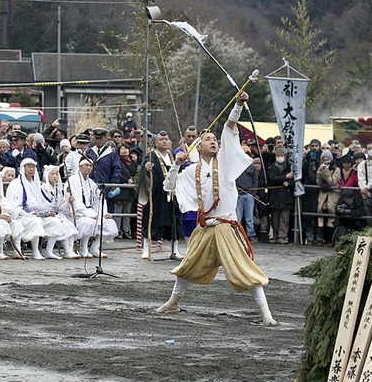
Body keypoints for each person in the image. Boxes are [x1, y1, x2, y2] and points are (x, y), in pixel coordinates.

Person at [155, 92, 277, 326]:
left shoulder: (226, 162)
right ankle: (173, 303)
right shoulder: (191, 171)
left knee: (245, 270)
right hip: (205, 227)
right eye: (208, 139)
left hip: (226, 227)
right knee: (187, 265)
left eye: (215, 139)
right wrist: (176, 165)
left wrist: (238, 106)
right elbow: (169, 186)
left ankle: (266, 313)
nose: (214, 141)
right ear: (198, 148)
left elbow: (229, 128)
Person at [5, 159, 65, 259]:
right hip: (21, 216)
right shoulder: (15, 184)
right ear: (23, 168)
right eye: (28, 166)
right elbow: (14, 207)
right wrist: (28, 214)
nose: (31, 169)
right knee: (35, 221)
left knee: (55, 222)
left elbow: (41, 204)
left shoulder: (36, 184)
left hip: (37, 215)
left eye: (33, 167)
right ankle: (35, 251)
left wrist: (47, 212)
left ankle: (49, 251)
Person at [137, 131, 184, 259]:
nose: (164, 141)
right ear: (156, 142)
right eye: (161, 139)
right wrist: (147, 168)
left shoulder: (174, 157)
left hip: (172, 195)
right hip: (156, 195)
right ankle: (146, 250)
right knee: (151, 221)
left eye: (166, 139)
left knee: (174, 222)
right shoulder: (151, 156)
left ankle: (175, 250)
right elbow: (143, 172)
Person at [68, 157, 119, 258]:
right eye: (86, 165)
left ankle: (95, 247)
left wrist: (103, 213)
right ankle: (83, 248)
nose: (88, 168)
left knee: (110, 223)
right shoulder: (73, 180)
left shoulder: (91, 183)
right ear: (80, 166)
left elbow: (99, 199)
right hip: (78, 213)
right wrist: (90, 214)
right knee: (89, 222)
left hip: (91, 212)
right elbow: (76, 200)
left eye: (90, 166)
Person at [40, 166, 79, 259]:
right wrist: (48, 212)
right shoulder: (42, 189)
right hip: (45, 216)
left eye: (56, 174)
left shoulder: (57, 190)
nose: (55, 176)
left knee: (70, 224)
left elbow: (60, 207)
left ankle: (70, 249)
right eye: (52, 174)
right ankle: (64, 250)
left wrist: (68, 202)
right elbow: (40, 205)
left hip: (57, 215)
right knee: (61, 224)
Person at [267, 148, 294, 244]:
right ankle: (274, 236)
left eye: (281, 155)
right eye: (278, 155)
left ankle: (282, 236)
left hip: (286, 196)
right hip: (275, 196)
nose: (280, 157)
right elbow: (273, 179)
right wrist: (285, 177)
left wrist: (289, 182)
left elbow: (294, 180)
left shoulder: (290, 167)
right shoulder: (271, 168)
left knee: (284, 218)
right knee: (275, 218)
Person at [316, 150, 340, 247]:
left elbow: (332, 182)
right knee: (321, 216)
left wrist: (325, 172)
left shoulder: (336, 169)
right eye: (324, 159)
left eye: (328, 159)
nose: (326, 161)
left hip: (332, 195)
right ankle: (321, 239)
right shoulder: (320, 168)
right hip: (323, 195)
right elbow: (318, 182)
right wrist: (320, 171)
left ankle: (330, 239)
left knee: (331, 216)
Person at [301, 139, 323, 245]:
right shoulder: (307, 160)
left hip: (319, 191)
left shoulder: (322, 158)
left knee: (318, 215)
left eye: (316, 146)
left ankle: (319, 237)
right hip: (308, 191)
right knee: (308, 215)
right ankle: (309, 237)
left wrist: (317, 161)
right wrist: (307, 160)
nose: (314, 148)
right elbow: (303, 172)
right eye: (312, 146)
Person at [114, 142, 137, 239]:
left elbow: (134, 172)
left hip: (130, 190)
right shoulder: (117, 161)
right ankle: (117, 231)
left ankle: (126, 230)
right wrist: (126, 180)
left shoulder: (132, 162)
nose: (124, 150)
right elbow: (116, 174)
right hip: (120, 189)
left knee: (127, 212)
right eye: (122, 149)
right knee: (118, 212)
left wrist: (135, 162)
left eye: (126, 149)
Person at [235, 149, 258, 242]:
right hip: (238, 194)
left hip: (249, 194)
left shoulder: (252, 167)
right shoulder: (235, 166)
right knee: (238, 216)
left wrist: (253, 193)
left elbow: (255, 181)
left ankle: (251, 234)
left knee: (249, 217)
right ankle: (238, 233)